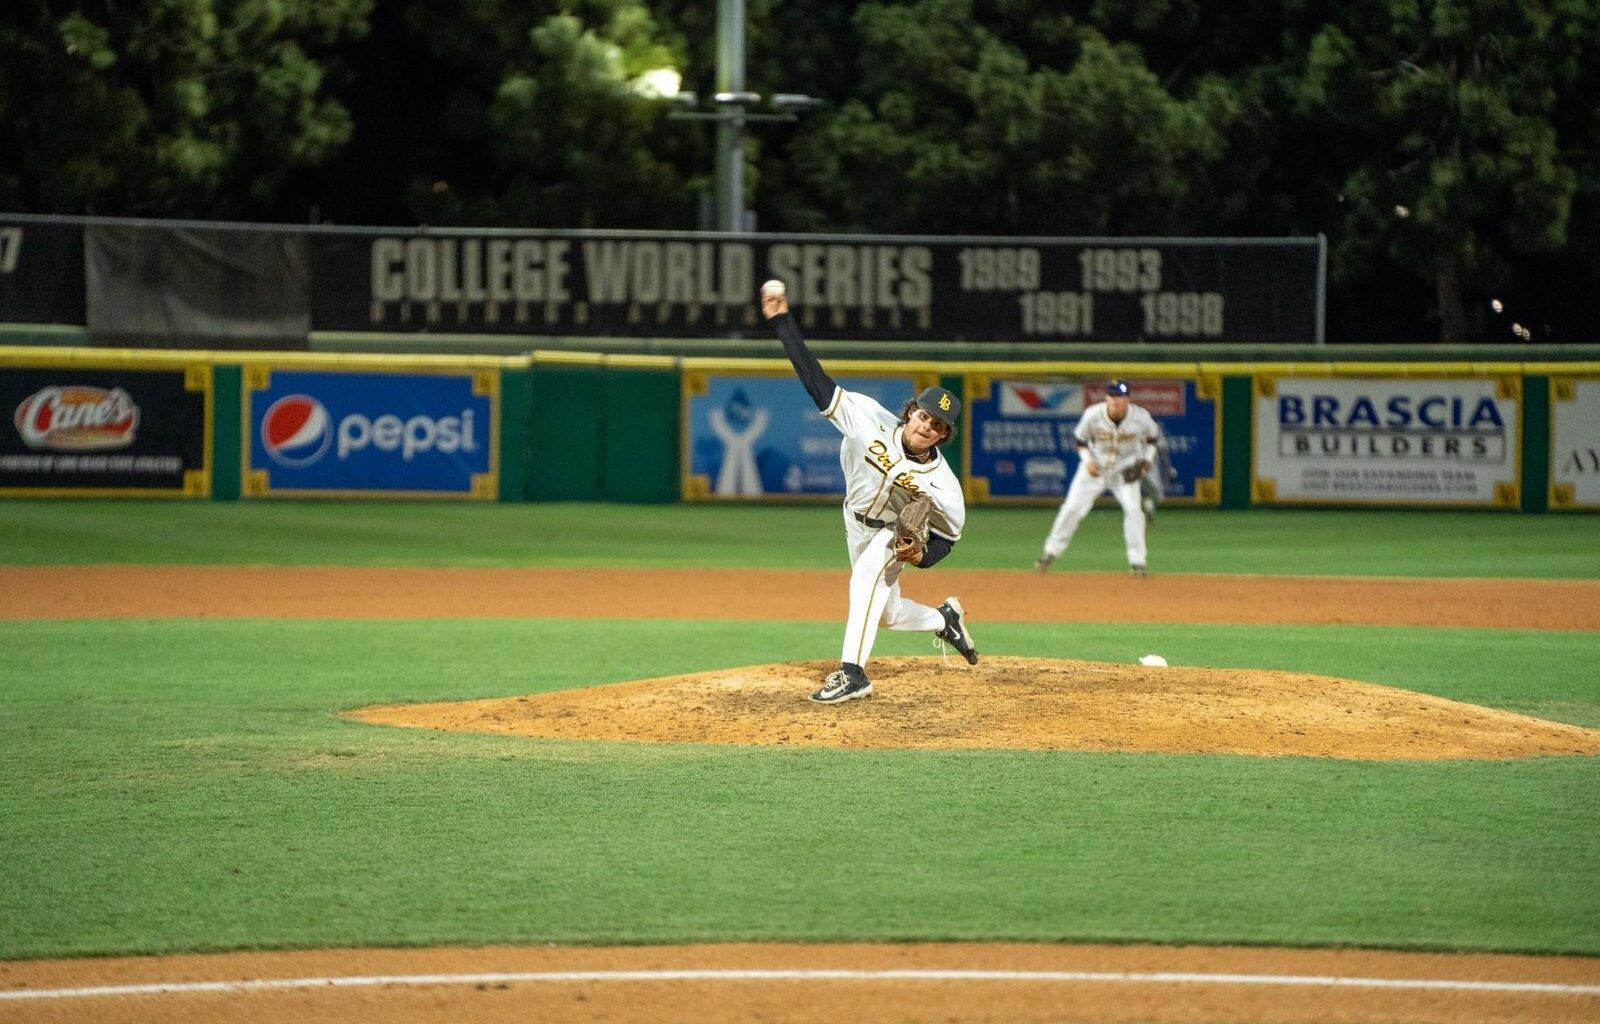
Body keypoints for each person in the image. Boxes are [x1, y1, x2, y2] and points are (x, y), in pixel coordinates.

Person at [761, 282, 977, 704]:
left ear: (943, 436)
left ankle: (853, 674)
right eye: (923, 416)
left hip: (891, 534)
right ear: (911, 411)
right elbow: (815, 380)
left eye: (937, 426)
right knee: (887, 614)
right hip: (854, 522)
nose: (926, 427)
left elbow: (948, 538)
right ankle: (944, 619)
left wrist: (921, 556)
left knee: (864, 580)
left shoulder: (944, 486)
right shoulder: (866, 419)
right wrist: (782, 321)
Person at [1035, 379, 1162, 576]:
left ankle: (1138, 562)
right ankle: (1049, 553)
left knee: (1134, 511)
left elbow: (1153, 438)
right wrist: (1088, 461)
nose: (1116, 400)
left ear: (1127, 398)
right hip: (1094, 469)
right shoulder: (1093, 415)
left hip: (1124, 471)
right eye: (1112, 395)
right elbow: (1080, 440)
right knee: (1071, 508)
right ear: (1107, 398)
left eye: (1120, 396)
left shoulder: (1140, 417)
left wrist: (1147, 459)